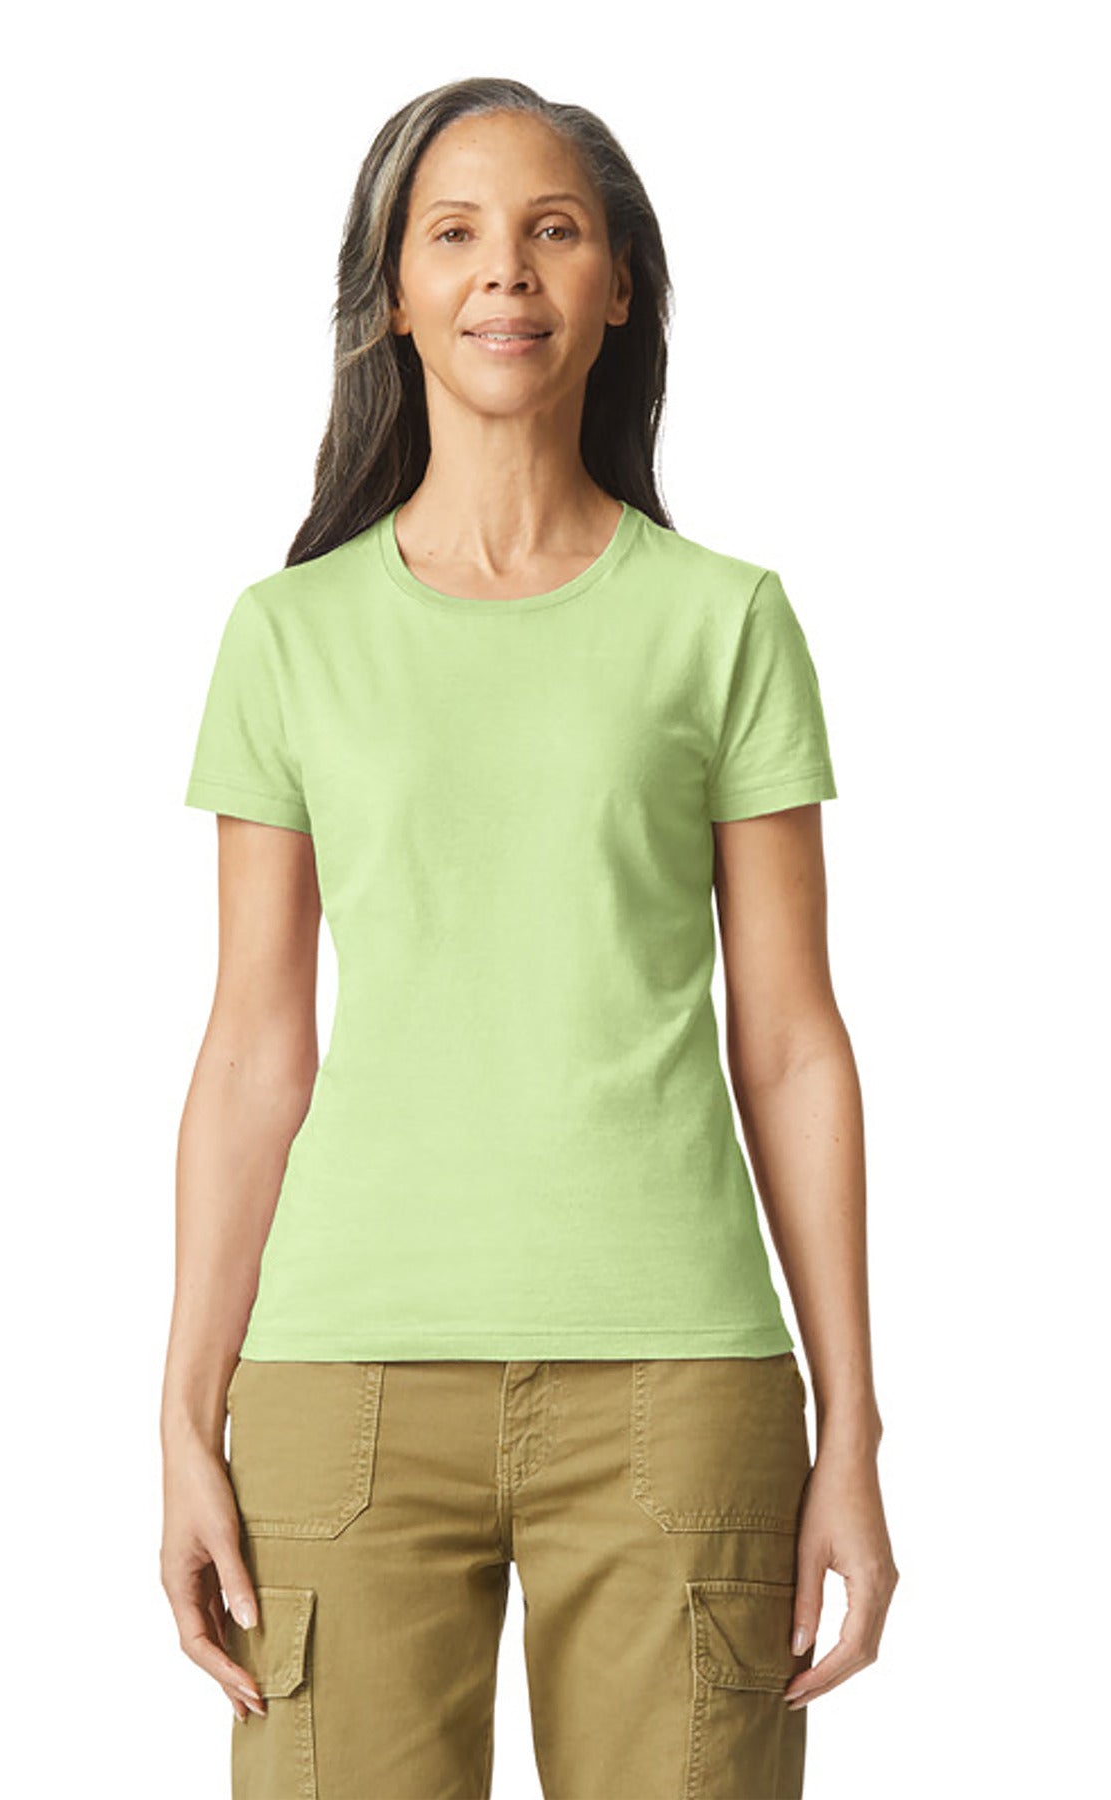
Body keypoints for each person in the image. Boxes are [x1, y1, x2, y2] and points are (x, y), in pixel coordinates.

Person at [160, 75, 897, 1800]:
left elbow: (794, 1042)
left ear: (618, 284)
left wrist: (851, 1423)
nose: (506, 270)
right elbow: (254, 1047)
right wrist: (184, 1415)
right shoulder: (286, 636)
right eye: (456, 234)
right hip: (339, 1387)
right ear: (395, 295)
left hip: (680, 1387)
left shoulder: (725, 622)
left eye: (554, 230)